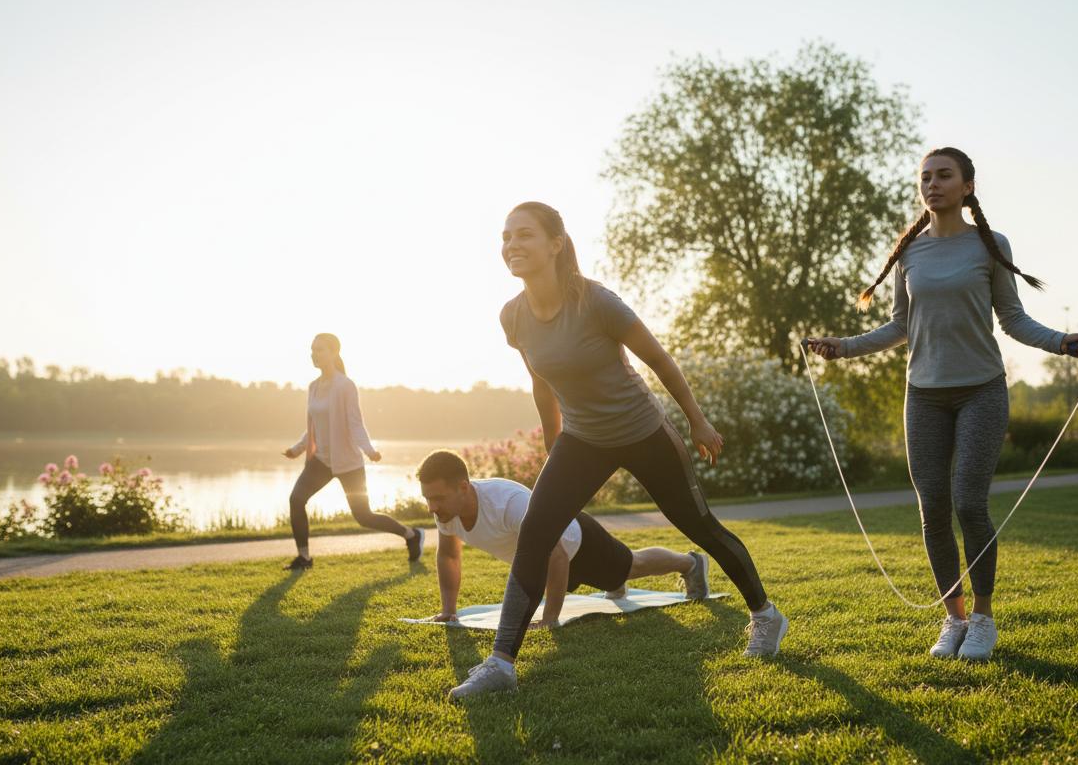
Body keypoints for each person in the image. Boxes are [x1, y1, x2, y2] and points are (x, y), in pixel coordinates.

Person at [449, 202, 787, 701]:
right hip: (582, 439)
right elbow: (540, 380)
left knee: (698, 525)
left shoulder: (596, 302)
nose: (511, 246)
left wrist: (697, 419)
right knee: (536, 534)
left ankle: (765, 614)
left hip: (643, 430)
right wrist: (552, 441)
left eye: (524, 235)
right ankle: (501, 662)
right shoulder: (514, 316)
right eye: (505, 237)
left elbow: (659, 360)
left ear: (556, 244)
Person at [807, 147, 1078, 661]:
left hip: (981, 390)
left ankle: (984, 620)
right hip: (923, 396)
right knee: (933, 510)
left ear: (967, 186)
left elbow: (1013, 320)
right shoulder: (910, 253)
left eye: (944, 176)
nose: (932, 184)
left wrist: (1061, 342)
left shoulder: (989, 245)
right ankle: (954, 620)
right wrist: (845, 345)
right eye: (925, 177)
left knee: (969, 502)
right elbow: (900, 326)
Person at [415, 449, 710, 627]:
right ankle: (614, 581)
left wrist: (550, 618)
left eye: (437, 498)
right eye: (428, 498)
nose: (431, 507)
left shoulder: (509, 502)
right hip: (550, 564)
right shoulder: (446, 513)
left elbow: (556, 555)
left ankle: (691, 563)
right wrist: (449, 612)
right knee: (610, 578)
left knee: (632, 564)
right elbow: (449, 556)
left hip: (578, 543)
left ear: (463, 487)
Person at [281, 333, 424, 570]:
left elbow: (355, 423)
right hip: (321, 462)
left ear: (334, 352)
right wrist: (297, 449)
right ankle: (304, 558)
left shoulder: (345, 386)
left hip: (348, 463)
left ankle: (411, 535)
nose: (314, 354)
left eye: (320, 350)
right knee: (296, 500)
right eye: (312, 350)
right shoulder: (314, 387)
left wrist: (369, 450)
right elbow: (314, 427)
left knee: (363, 516)